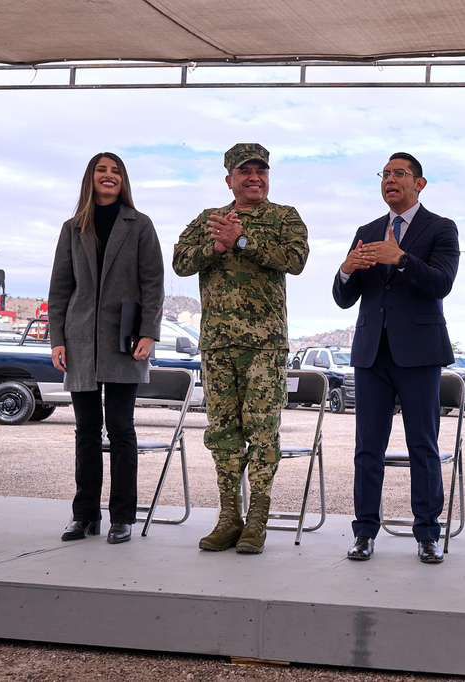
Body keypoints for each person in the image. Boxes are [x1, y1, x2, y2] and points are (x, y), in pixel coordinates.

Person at [173, 143, 309, 555]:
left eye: (260, 171)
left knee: (263, 432)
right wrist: (214, 247)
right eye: (245, 172)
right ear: (229, 179)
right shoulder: (209, 220)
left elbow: (296, 259)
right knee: (222, 433)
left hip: (264, 345)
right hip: (217, 344)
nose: (254, 178)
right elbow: (180, 262)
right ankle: (229, 516)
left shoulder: (285, 217)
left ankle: (257, 521)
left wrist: (243, 240)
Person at [334, 152, 460, 564]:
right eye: (385, 174)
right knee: (367, 448)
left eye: (399, 173)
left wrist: (401, 259)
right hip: (372, 355)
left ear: (419, 184)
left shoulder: (441, 228)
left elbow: (441, 283)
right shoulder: (367, 231)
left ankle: (427, 533)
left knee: (422, 445)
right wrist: (347, 270)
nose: (390, 180)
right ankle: (364, 532)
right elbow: (343, 298)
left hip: (420, 355)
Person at [49, 152, 164, 545]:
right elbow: (60, 288)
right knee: (85, 430)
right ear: (91, 178)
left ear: (123, 180)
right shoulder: (72, 228)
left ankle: (122, 517)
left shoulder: (140, 225)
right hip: (80, 340)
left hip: (125, 341)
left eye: (116, 171)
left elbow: (153, 283)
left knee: (120, 428)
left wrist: (149, 333)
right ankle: (84, 515)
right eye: (102, 170)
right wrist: (57, 339)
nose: (109, 176)